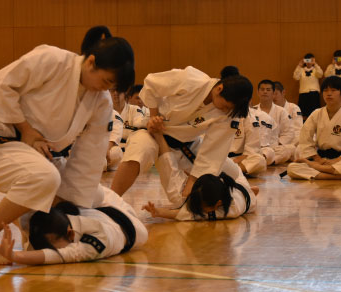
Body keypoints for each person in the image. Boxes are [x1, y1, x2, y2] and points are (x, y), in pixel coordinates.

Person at [0, 33, 135, 265]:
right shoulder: (53, 59)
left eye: (111, 86)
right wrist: (25, 128)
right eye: (105, 81)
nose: (104, 90)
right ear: (91, 62)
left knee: (88, 193)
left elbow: (88, 160)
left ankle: (33, 240)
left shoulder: (101, 101)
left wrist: (66, 210)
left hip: (38, 157)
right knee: (46, 179)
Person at [111, 68, 253, 197]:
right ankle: (112, 198)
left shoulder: (229, 114)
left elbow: (213, 153)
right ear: (219, 89)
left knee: (232, 173)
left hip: (187, 145)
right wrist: (154, 117)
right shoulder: (190, 79)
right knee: (138, 152)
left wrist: (192, 183)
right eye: (226, 106)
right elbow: (151, 83)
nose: (226, 111)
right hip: (152, 132)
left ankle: (247, 193)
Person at [0, 185, 147, 265]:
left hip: (123, 216)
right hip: (96, 213)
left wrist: (13, 256)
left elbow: (58, 256)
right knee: (31, 208)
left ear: (70, 233)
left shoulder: (100, 241)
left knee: (89, 192)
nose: (46, 249)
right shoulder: (56, 223)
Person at [142, 120, 257, 221]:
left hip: (235, 188)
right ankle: (251, 192)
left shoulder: (230, 211)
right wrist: (192, 178)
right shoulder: (230, 209)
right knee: (232, 172)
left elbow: (187, 214)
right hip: (238, 181)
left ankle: (161, 138)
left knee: (178, 199)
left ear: (218, 204)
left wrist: (159, 212)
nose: (195, 206)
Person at [287, 76, 341, 180]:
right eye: (325, 90)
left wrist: (335, 161)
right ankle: (332, 175)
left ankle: (320, 171)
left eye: (333, 90)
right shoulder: (317, 113)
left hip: (339, 159)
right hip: (320, 159)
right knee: (292, 168)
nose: (329, 93)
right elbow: (305, 138)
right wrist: (317, 160)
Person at [254, 80, 294, 164]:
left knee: (290, 149)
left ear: (273, 93)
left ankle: (262, 160)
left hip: (275, 148)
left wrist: (278, 144)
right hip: (256, 147)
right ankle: (265, 160)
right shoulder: (252, 111)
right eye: (262, 89)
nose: (265, 92)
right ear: (258, 92)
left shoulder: (281, 111)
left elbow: (289, 133)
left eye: (268, 90)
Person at [228, 108, 266, 176]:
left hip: (238, 159)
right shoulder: (215, 115)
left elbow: (250, 151)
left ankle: (226, 171)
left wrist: (232, 163)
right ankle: (230, 171)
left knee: (259, 160)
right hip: (218, 159)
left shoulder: (249, 118)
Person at [293, 53, 323, 119]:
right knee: (303, 114)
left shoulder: (315, 70)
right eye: (307, 60)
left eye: (311, 60)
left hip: (314, 94)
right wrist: (299, 65)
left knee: (315, 113)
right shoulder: (301, 70)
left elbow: (320, 74)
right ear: (304, 61)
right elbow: (296, 77)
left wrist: (315, 64)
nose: (309, 62)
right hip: (303, 94)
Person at [273, 81, 303, 147]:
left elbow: (298, 131)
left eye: (276, 94)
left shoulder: (293, 108)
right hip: (273, 144)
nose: (273, 97)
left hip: (290, 143)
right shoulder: (269, 110)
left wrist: (282, 143)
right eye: (271, 94)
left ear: (283, 92)